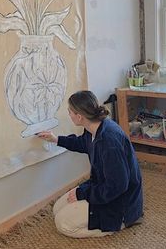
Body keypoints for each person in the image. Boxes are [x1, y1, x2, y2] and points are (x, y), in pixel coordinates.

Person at [37, 90, 143, 238]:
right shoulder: (94, 127)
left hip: (120, 203)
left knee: (62, 224)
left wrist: (83, 193)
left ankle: (117, 224)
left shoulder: (109, 142)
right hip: (101, 186)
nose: (69, 114)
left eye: (70, 112)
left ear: (79, 117)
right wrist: (56, 139)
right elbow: (83, 143)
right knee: (57, 209)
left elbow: (118, 186)